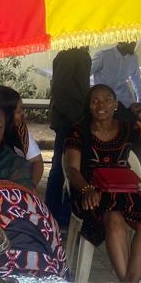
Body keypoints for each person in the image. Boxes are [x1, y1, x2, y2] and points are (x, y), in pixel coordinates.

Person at [63, 84, 141, 283]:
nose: (101, 105)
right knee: (114, 218)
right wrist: (87, 189)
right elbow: (72, 169)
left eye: (107, 100)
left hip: (126, 191)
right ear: (88, 106)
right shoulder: (78, 132)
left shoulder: (127, 128)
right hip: (92, 191)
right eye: (95, 101)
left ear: (116, 104)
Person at [90, 42, 141, 188]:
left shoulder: (133, 58)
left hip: (125, 102)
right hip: (106, 105)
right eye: (132, 40)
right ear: (122, 40)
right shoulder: (104, 56)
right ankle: (111, 171)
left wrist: (140, 103)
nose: (134, 43)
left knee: (138, 133)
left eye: (135, 40)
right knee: (115, 136)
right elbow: (87, 74)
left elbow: (136, 79)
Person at [45, 47, 91, 226]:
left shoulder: (78, 53)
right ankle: (54, 216)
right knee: (62, 168)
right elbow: (59, 89)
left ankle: (59, 214)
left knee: (66, 167)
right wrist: (77, 120)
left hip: (72, 119)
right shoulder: (72, 53)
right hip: (69, 121)